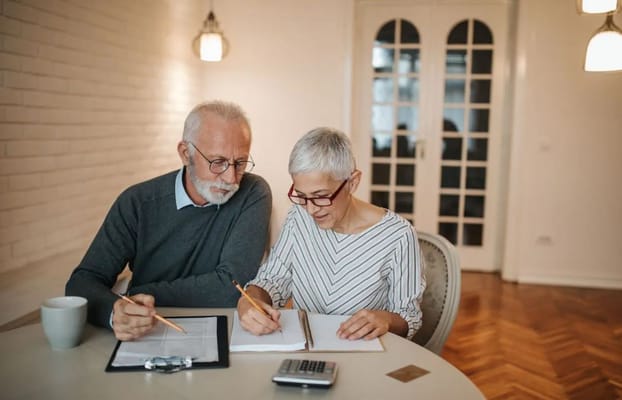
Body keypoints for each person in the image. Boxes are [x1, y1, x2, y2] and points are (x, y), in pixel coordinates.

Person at [66, 100, 272, 341]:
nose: (230, 177)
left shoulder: (253, 192)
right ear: (186, 154)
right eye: (218, 162)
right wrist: (116, 312)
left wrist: (138, 292)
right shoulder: (137, 202)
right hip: (148, 333)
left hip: (226, 331)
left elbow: (232, 287)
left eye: (240, 163)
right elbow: (82, 283)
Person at [237, 127, 425, 341]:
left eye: (321, 196)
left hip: (364, 354)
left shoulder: (398, 236)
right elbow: (273, 279)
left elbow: (409, 317)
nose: (311, 209)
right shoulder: (299, 217)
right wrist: (249, 298)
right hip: (305, 352)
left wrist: (386, 319)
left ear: (352, 182)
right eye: (301, 196)